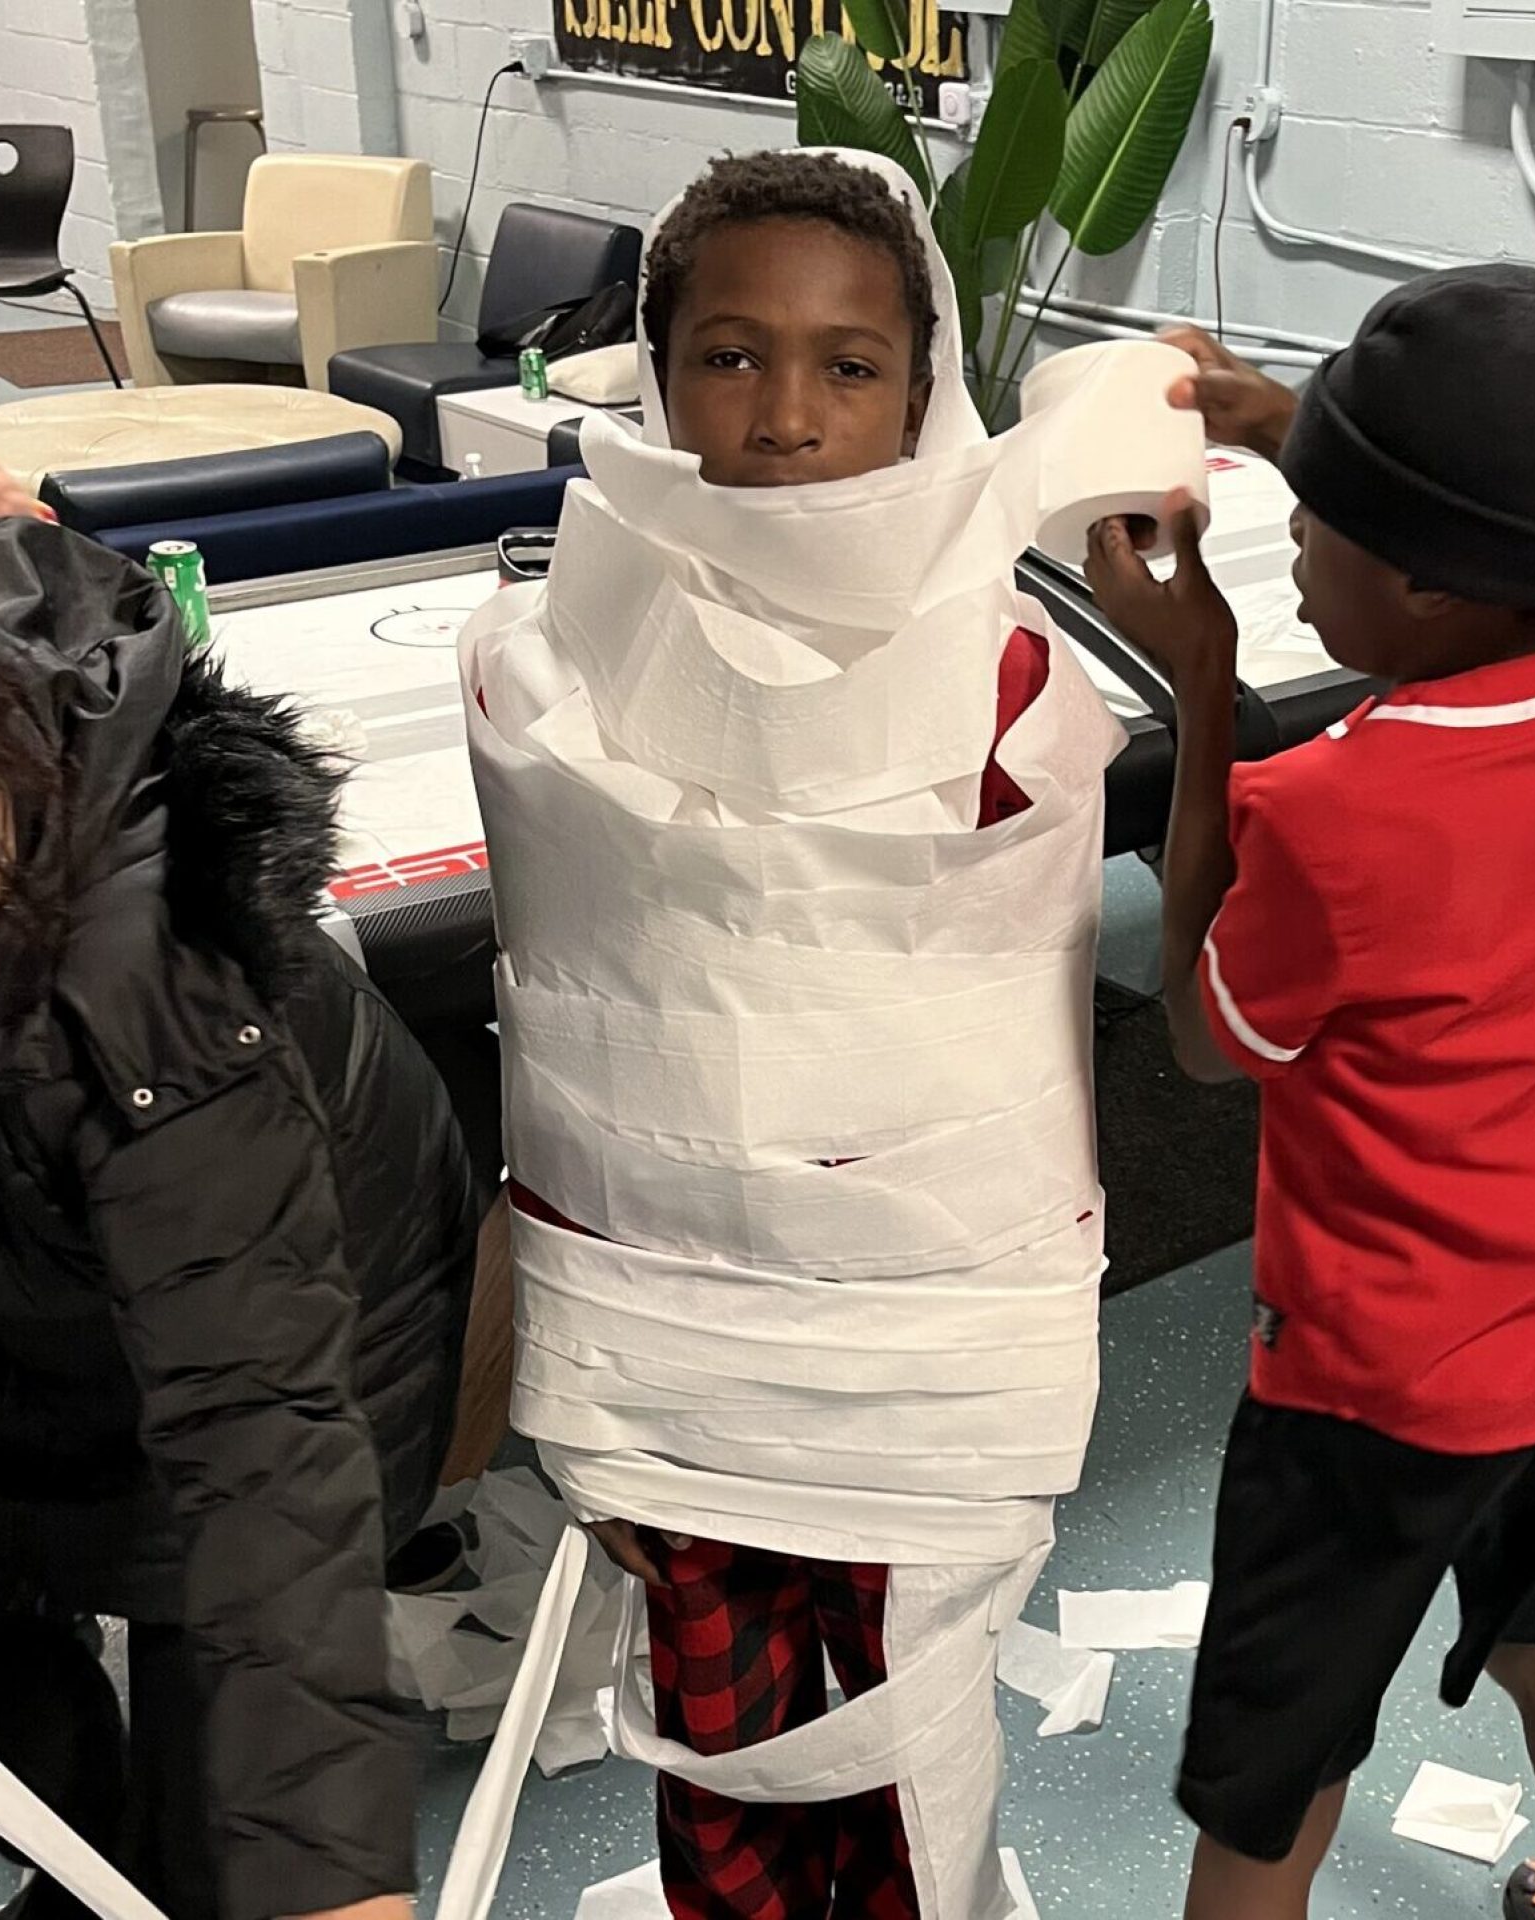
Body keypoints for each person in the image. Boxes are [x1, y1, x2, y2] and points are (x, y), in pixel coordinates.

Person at [463, 150, 1127, 1919]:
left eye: (849, 365)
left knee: (914, 1730)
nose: (782, 418)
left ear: (925, 393)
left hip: (934, 1334)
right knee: (722, 1735)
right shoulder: (532, 666)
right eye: (729, 355)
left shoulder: (1011, 686)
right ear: (657, 371)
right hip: (664, 1325)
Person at [1085, 267, 1535, 1920]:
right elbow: (1533, 525)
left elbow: (1209, 1042)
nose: (1293, 532)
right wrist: (1287, 422)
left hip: (1379, 1398)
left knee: (1274, 1780)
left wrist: (1204, 682)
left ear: (1430, 579)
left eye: (1320, 517)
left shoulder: (1343, 813)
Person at [0, 497, 479, 1920]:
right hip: (22, 1302)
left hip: (306, 1298)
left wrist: (328, 1882)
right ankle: (84, 1844)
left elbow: (273, 1467)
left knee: (229, 1820)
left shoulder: (144, 980)